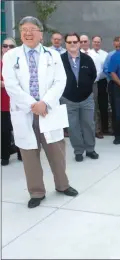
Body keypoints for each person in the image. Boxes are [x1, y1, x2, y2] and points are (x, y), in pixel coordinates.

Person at [2, 16, 78, 208]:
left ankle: (62, 185)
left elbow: (60, 81)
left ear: (40, 33)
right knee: (29, 154)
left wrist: (45, 102)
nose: (28, 33)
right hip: (24, 111)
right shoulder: (11, 56)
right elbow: (11, 85)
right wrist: (32, 104)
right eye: (24, 29)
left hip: (48, 111)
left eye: (32, 29)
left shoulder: (52, 55)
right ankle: (36, 191)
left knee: (57, 151)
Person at [60, 32, 99, 162]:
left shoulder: (87, 59)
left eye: (75, 42)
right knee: (73, 127)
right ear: (65, 44)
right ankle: (78, 151)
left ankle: (90, 149)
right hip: (68, 99)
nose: (72, 44)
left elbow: (93, 75)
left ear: (79, 43)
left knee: (88, 124)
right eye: (69, 42)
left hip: (86, 98)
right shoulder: (60, 60)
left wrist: (85, 87)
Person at [1, 37, 22, 166]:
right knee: (4, 131)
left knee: (20, 129)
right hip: (2, 103)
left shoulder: (19, 63)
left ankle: (22, 154)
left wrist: (6, 83)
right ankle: (5, 156)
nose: (8, 48)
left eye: (11, 46)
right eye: (5, 45)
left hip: (18, 103)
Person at [103, 36, 120, 134]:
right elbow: (106, 69)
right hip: (113, 84)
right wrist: (114, 78)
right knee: (115, 107)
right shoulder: (110, 55)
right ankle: (116, 129)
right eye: (116, 46)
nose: (118, 48)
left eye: (119, 46)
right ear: (114, 44)